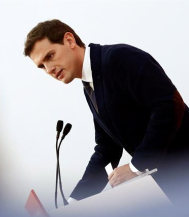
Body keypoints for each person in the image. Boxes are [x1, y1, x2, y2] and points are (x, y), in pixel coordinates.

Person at [24, 19, 189, 202]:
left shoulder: (118, 58)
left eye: (50, 56)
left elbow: (170, 105)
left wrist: (136, 166)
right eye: (41, 66)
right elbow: (107, 148)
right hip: (176, 183)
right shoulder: (90, 84)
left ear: (70, 40)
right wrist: (74, 202)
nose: (49, 69)